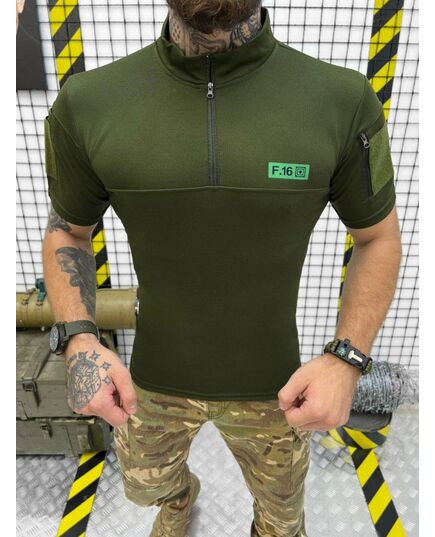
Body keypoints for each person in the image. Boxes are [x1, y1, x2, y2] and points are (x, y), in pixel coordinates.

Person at [42, 1, 402, 535]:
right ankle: (180, 500)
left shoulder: (341, 101)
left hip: (276, 388)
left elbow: (377, 237)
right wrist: (78, 339)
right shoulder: (90, 103)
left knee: (282, 522)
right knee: (143, 488)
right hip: (152, 382)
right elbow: (67, 231)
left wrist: (347, 359)